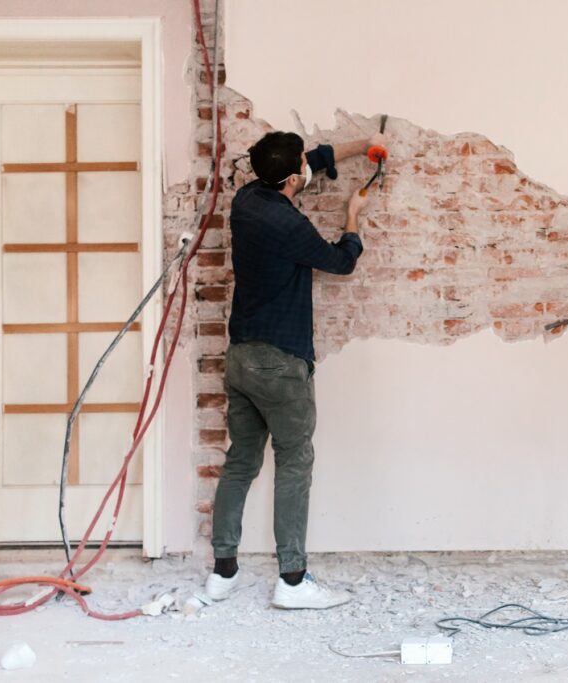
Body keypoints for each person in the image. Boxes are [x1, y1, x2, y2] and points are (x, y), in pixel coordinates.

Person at [204, 129, 384, 609]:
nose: (309, 164)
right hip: (280, 362)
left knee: (241, 461)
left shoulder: (246, 201)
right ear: (290, 179)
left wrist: (362, 145)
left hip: (240, 357)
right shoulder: (290, 226)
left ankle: (222, 573)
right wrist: (353, 217)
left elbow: (312, 160)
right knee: (294, 463)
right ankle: (292, 580)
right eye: (302, 163)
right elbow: (341, 261)